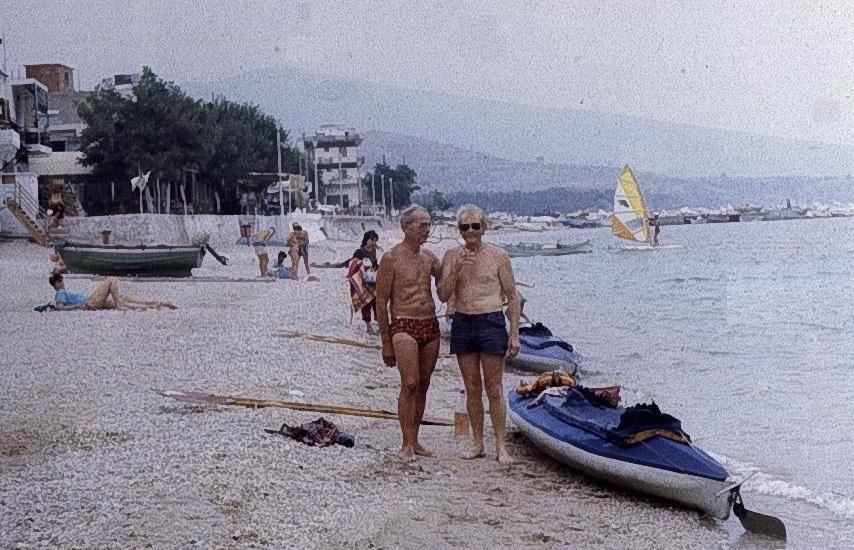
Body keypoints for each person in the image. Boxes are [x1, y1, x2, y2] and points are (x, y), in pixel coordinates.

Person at [437, 204, 520, 464]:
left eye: (475, 226)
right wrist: (456, 269)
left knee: (494, 388)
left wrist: (514, 333)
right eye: (465, 227)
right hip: (463, 321)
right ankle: (477, 443)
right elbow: (441, 294)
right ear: (459, 230)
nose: (470, 231)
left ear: (484, 227)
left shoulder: (498, 255)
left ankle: (501, 446)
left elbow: (513, 296)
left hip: (491, 319)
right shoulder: (452, 256)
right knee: (472, 387)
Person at [376, 205, 442, 461]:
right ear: (406, 227)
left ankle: (415, 439)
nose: (427, 230)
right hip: (403, 324)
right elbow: (381, 301)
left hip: (430, 324)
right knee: (410, 383)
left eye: (428, 224)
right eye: (422, 225)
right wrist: (386, 343)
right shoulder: (391, 258)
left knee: (424, 385)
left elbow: (446, 282)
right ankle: (405, 443)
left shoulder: (429, 257)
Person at [49, 274, 177, 311]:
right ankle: (120, 305)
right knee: (112, 280)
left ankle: (157, 304)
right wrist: (78, 307)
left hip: (91, 301)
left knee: (126, 300)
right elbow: (60, 308)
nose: (61, 283)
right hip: (89, 302)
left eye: (61, 281)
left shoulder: (63, 291)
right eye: (59, 282)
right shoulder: (60, 293)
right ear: (55, 285)